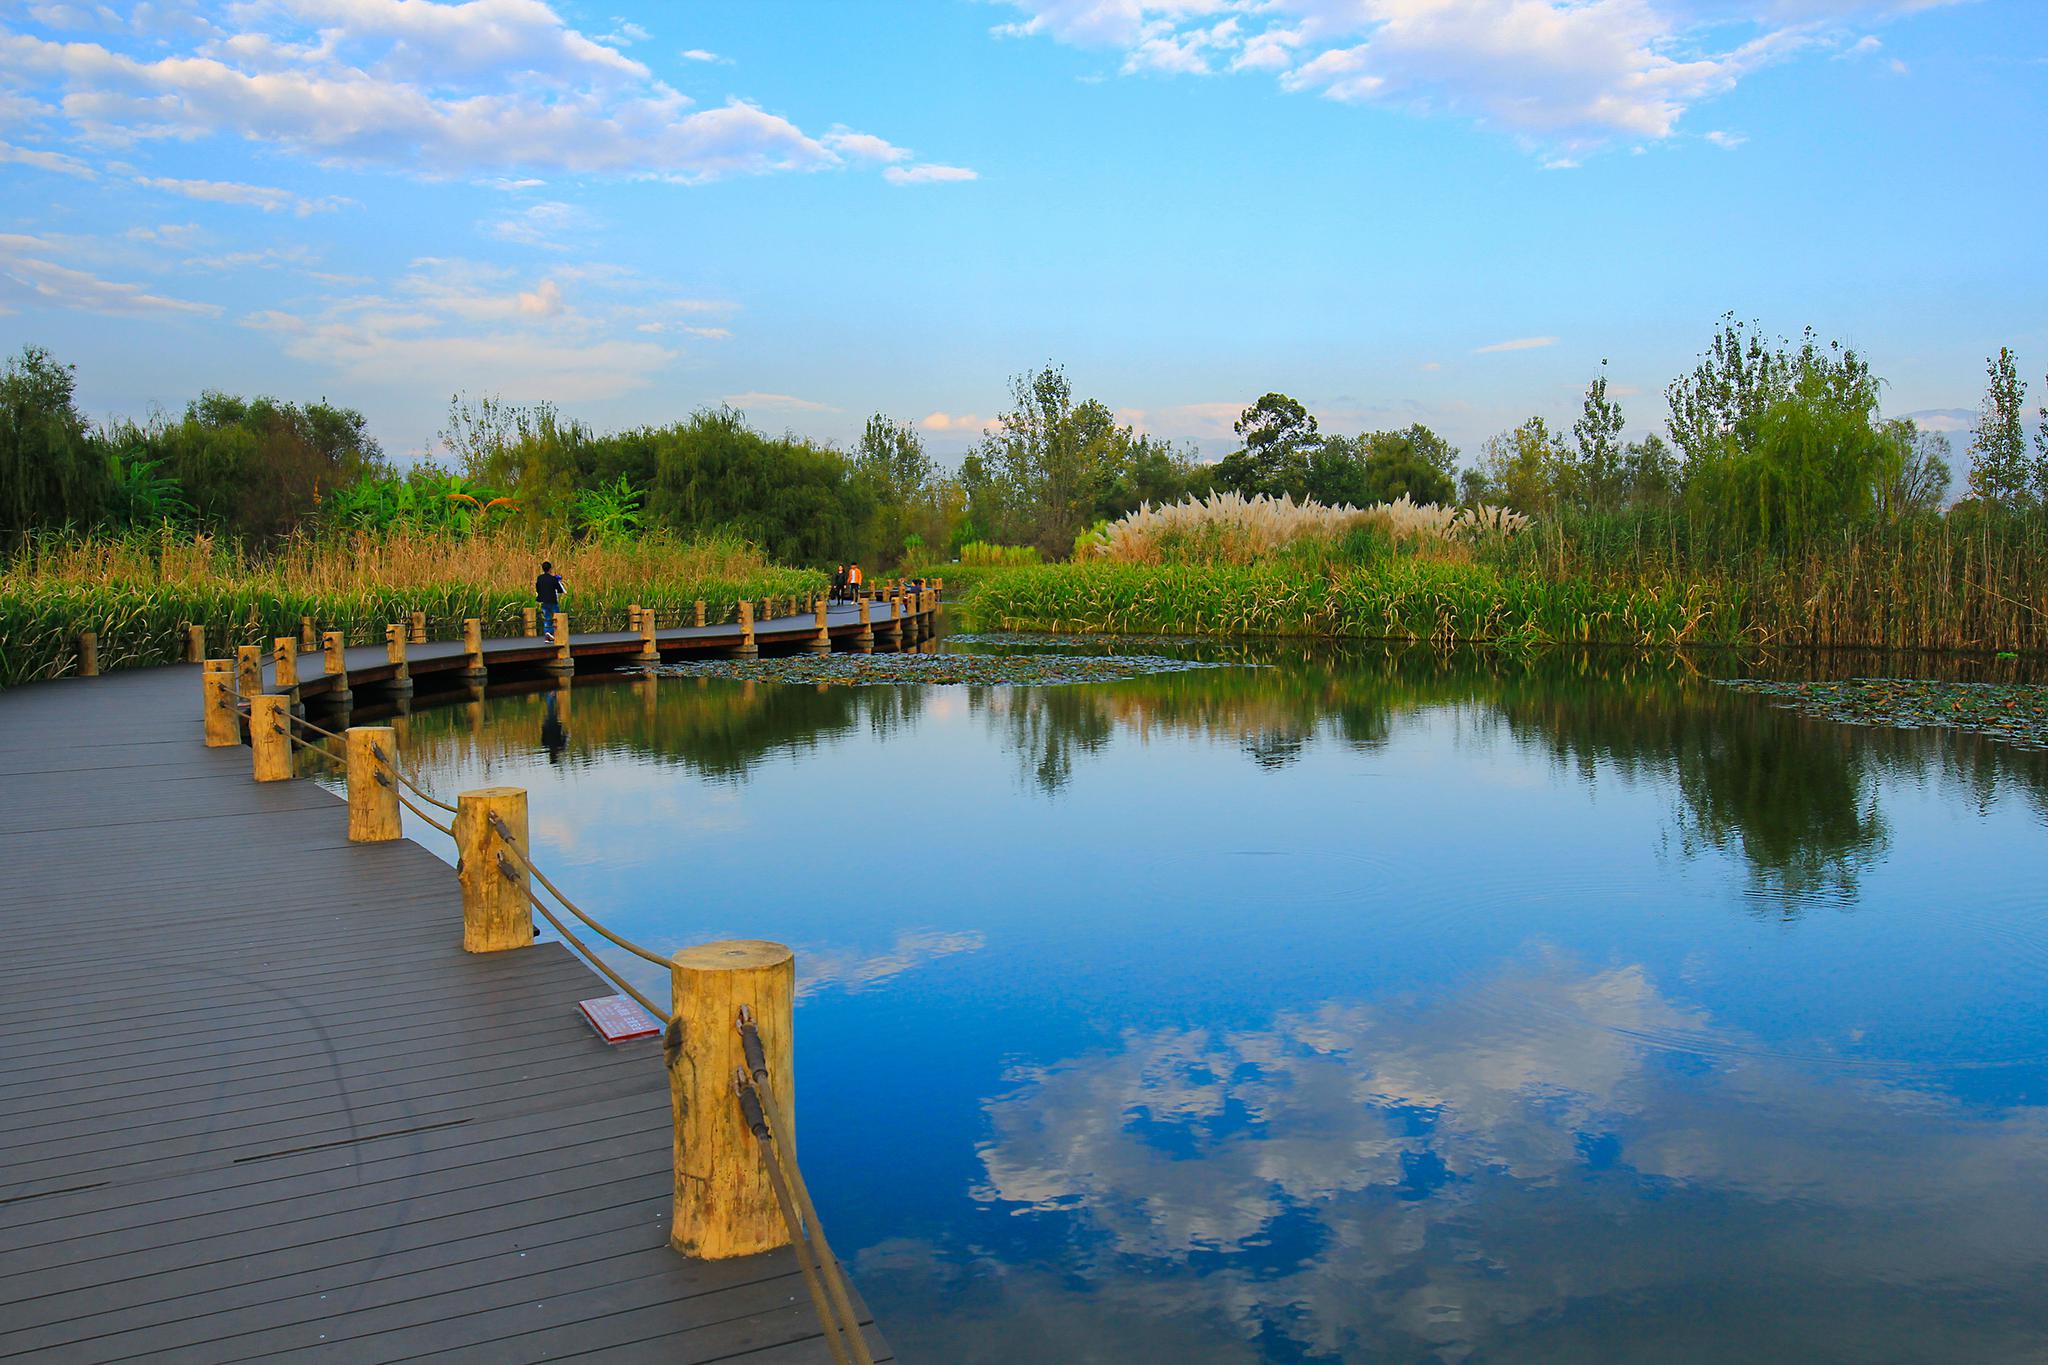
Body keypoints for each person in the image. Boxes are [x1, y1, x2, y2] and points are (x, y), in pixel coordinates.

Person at [535, 560, 566, 641]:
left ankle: (547, 635)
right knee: (557, 618)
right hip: (552, 601)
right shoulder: (553, 579)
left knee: (547, 618)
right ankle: (552, 633)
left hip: (544, 601)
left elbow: (537, 588)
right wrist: (558, 582)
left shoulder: (539, 578)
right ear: (550, 569)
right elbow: (559, 590)